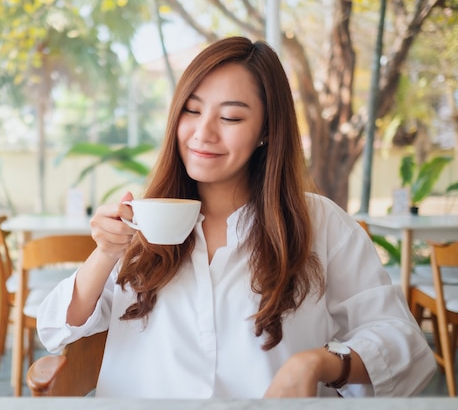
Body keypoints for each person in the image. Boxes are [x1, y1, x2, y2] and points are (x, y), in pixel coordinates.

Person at [36, 36, 435, 398]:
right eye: (191, 111)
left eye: (230, 118)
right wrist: (105, 253)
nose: (203, 133)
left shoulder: (320, 225)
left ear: (266, 130)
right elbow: (55, 329)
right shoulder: (144, 220)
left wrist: (315, 363)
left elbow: (407, 347)